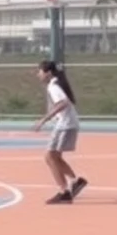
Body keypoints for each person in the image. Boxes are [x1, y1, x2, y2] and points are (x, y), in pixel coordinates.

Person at [34, 60, 87, 204]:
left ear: (48, 72)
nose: (38, 74)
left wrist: (44, 119)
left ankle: (64, 191)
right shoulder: (56, 83)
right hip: (65, 124)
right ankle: (75, 182)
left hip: (65, 125)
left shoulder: (53, 86)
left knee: (50, 157)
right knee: (53, 157)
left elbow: (63, 103)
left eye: (39, 71)